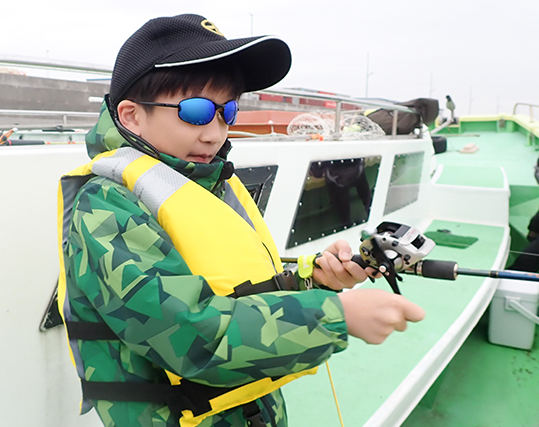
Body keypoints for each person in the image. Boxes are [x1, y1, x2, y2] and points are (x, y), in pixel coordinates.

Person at [57, 14, 425, 427]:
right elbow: (189, 337)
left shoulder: (203, 183)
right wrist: (337, 314)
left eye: (226, 111)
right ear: (131, 116)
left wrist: (315, 279)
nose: (215, 133)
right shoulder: (107, 206)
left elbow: (238, 287)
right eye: (195, 112)